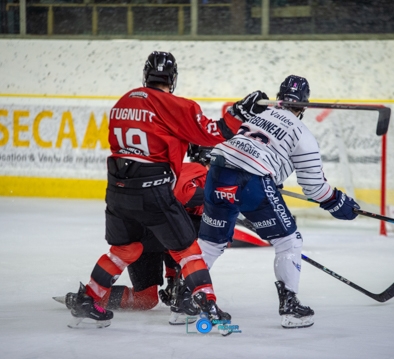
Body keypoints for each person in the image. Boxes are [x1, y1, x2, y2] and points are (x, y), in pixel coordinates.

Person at [67, 50, 268, 328]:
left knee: (124, 249)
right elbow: (213, 131)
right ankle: (207, 304)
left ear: (145, 74)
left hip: (117, 189)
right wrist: (239, 113)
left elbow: (143, 138)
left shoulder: (123, 101)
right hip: (153, 190)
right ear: (172, 78)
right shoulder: (176, 106)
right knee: (188, 250)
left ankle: (88, 297)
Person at [197, 75, 361, 329]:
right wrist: (339, 203)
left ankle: (182, 301)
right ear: (304, 105)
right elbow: (314, 187)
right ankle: (290, 307)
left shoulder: (256, 118)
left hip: (217, 173)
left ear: (279, 98)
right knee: (288, 241)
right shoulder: (301, 133)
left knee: (210, 243)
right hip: (251, 181)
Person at [57, 145, 213, 325]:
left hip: (154, 233)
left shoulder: (207, 177)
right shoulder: (196, 170)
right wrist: (214, 197)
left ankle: (87, 298)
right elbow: (179, 195)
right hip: (148, 230)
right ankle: (87, 298)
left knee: (146, 299)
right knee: (191, 235)